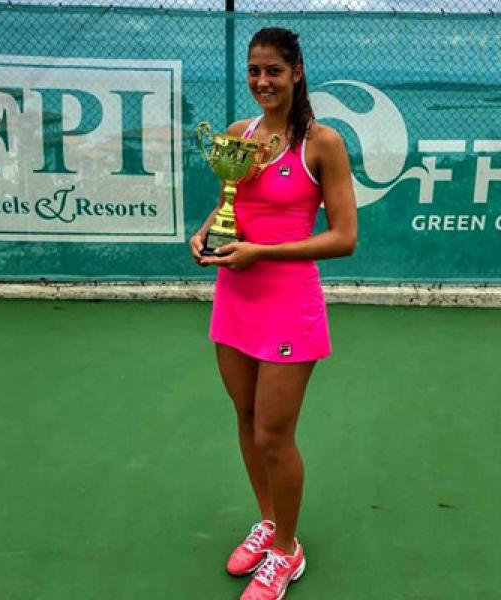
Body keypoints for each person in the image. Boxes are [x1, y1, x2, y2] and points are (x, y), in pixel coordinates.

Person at [189, 26, 357, 600]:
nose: (263, 81)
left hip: (289, 305)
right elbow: (230, 205)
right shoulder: (239, 136)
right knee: (244, 417)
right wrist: (206, 232)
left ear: (297, 73)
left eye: (274, 71)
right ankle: (268, 520)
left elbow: (343, 238)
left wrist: (262, 252)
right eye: (255, 71)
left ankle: (287, 550)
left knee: (273, 435)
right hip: (235, 300)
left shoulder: (322, 144)